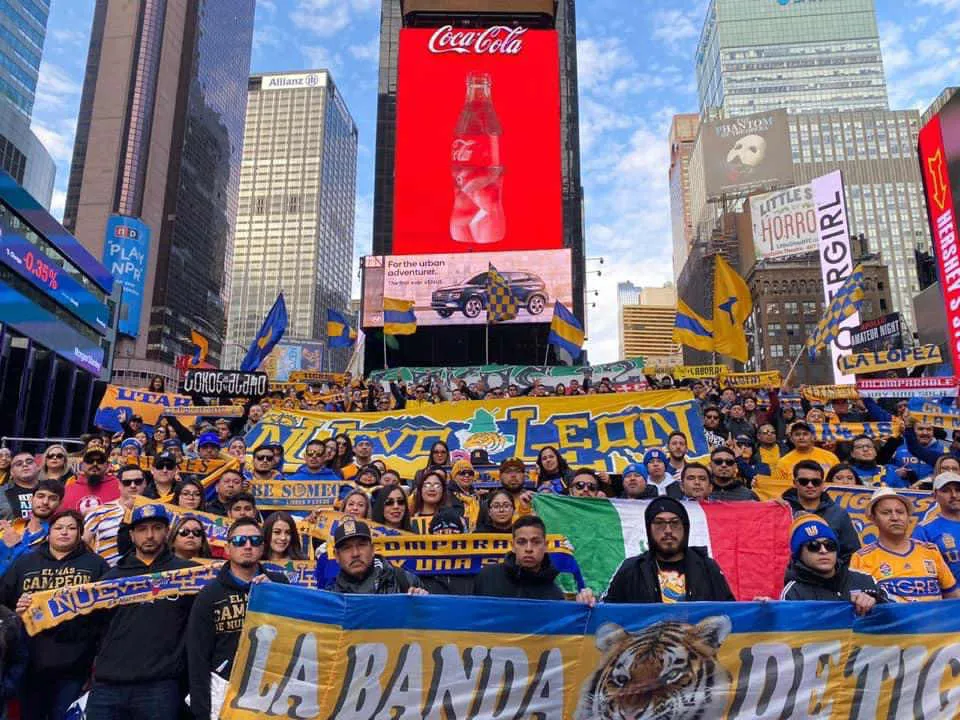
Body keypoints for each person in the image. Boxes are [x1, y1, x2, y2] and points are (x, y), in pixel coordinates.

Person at [85, 504, 198, 719]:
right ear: (131, 535)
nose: (150, 535)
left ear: (167, 531)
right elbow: (88, 627)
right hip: (108, 686)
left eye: (156, 528)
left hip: (160, 686)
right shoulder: (111, 578)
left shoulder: (188, 574)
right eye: (142, 529)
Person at [2, 509, 108, 719]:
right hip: (30, 663)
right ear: (48, 533)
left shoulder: (96, 565)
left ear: (80, 533)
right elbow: (3, 602)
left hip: (76, 662)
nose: (64, 532)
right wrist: (16, 611)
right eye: (58, 528)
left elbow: (106, 614)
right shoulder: (26, 562)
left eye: (71, 528)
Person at [187, 518, 287, 720]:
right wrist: (201, 711)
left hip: (272, 691)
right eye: (240, 540)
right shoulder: (210, 594)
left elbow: (296, 634)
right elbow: (197, 656)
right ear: (227, 548)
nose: (248, 546)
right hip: (226, 689)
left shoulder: (280, 584)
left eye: (255, 540)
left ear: (263, 547)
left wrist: (274, 595)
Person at [603, 497, 735, 603]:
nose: (668, 530)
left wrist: (754, 609)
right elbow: (606, 614)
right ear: (649, 529)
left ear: (685, 528)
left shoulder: (707, 567)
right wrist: (587, 602)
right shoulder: (631, 568)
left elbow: (731, 613)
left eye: (674, 523)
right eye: (659, 523)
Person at [851, 488, 960, 602]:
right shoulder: (861, 558)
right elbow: (857, 603)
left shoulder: (930, 551)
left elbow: (952, 596)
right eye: (886, 513)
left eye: (900, 512)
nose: (895, 518)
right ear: (873, 519)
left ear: (908, 517)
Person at [780, 514, 885, 612]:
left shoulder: (865, 580)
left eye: (829, 545)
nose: (823, 550)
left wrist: (876, 600)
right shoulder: (794, 592)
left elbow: (895, 615)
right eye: (814, 546)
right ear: (799, 554)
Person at [474, 516, 587, 602]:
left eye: (536, 542)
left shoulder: (555, 595)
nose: (528, 549)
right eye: (521, 542)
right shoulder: (487, 576)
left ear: (545, 546)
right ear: (513, 546)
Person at [781, 460, 860, 563]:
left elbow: (851, 553)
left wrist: (834, 571)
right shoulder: (781, 511)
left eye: (816, 482)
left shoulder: (839, 514)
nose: (810, 485)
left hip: (830, 576)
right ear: (795, 483)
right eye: (804, 481)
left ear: (823, 484)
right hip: (788, 575)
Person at [326, 518, 427, 595]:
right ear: (337, 556)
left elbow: (430, 618)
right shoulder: (331, 596)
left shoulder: (403, 579)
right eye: (347, 548)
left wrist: (424, 604)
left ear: (373, 549)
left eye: (361, 545)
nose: (355, 553)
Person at [84, 464, 149, 566]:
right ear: (119, 484)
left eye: (138, 481)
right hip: (108, 572)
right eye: (127, 482)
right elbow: (83, 544)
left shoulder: (155, 510)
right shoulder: (99, 511)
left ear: (144, 483)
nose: (133, 485)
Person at [0, 479, 64, 575]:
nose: (45, 502)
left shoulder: (58, 536)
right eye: (40, 496)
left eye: (52, 498)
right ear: (31, 499)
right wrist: (5, 546)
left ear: (60, 504)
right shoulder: (11, 527)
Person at [913, 471, 960, 580]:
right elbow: (920, 570)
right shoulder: (924, 530)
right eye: (946, 491)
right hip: (950, 595)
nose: (954, 495)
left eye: (958, 490)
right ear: (934, 496)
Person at [419, 509, 475, 596]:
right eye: (441, 534)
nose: (447, 542)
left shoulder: (475, 569)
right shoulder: (419, 571)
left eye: (453, 533)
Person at [771, 422, 840, 486]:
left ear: (813, 437)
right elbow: (778, 488)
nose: (801, 437)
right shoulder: (783, 462)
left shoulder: (831, 457)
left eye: (805, 434)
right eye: (797, 434)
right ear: (791, 439)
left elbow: (840, 481)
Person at [62, 447, 120, 516]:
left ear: (107, 465)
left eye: (100, 461)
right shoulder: (69, 489)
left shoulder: (119, 486)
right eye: (89, 460)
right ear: (82, 465)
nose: (95, 464)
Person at [4, 452, 40, 520]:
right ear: (12, 472)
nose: (25, 464)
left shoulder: (52, 488)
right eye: (18, 464)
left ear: (37, 467)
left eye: (29, 462)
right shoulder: (2, 493)